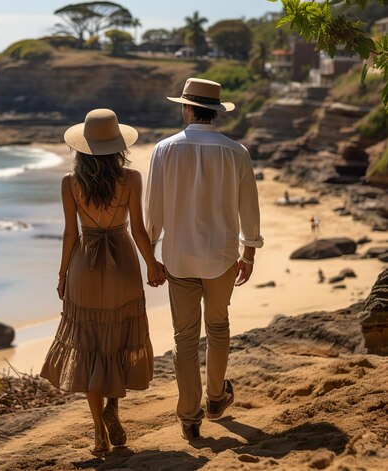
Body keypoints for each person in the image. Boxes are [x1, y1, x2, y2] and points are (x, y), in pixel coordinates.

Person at [41, 108, 165, 455]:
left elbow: (69, 234)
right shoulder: (131, 178)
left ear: (81, 148)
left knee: (90, 343)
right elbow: (139, 230)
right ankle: (113, 404)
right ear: (118, 146)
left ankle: (98, 432)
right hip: (122, 262)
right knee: (118, 336)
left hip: (84, 262)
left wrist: (63, 273)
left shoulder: (69, 183)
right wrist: (153, 264)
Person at [145, 78, 264, 440]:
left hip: (178, 258)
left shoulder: (163, 150)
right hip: (222, 257)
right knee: (218, 328)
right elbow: (250, 208)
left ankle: (189, 416)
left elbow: (155, 211)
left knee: (184, 339)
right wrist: (249, 253)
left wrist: (150, 256)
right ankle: (215, 399)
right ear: (214, 112)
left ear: (186, 108)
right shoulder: (236, 152)